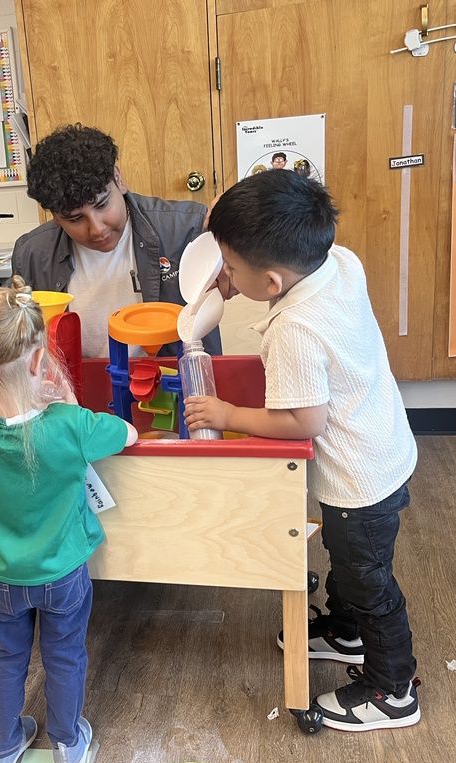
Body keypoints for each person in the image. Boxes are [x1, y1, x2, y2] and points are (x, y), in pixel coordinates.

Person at [185, 169, 419, 732]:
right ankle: (345, 630)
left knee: (369, 580)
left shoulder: (294, 329)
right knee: (349, 559)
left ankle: (393, 687)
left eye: (231, 269)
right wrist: (226, 269)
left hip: (357, 479)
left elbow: (304, 419)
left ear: (270, 282)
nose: (226, 277)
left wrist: (228, 416)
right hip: (384, 444)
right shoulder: (340, 260)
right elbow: (271, 255)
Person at [0, 277, 137, 763]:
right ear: (37, 361)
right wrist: (63, 400)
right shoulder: (70, 425)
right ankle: (68, 743)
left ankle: (3, 747)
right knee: (64, 655)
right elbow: (126, 432)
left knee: (7, 656)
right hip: (63, 574)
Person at [12, 123, 221, 358]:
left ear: (118, 179)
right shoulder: (31, 255)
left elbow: (263, 269)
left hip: (180, 384)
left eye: (102, 205)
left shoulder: (187, 228)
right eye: (75, 219)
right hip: (78, 389)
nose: (97, 229)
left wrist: (245, 217)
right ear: (55, 216)